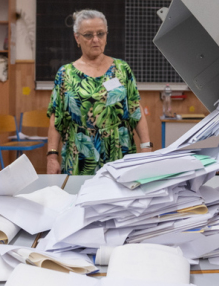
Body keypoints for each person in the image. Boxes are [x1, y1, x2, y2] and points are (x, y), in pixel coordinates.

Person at [47, 10, 152, 175]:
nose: (95, 40)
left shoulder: (122, 69)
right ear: (77, 38)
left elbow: (135, 109)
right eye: (88, 35)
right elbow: (56, 117)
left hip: (119, 152)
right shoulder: (65, 74)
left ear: (106, 35)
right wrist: (51, 156)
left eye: (100, 34)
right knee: (78, 198)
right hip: (79, 156)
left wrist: (146, 147)